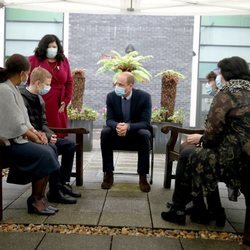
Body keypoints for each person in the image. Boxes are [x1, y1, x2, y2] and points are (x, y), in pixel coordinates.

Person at [161, 56, 250, 227]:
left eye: (219, 72)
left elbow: (213, 132)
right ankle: (206, 210)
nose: (218, 76)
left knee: (188, 154)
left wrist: (201, 139)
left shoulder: (226, 94)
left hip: (233, 159)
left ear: (227, 73)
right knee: (193, 153)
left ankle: (180, 209)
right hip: (246, 157)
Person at [0, 54, 61, 215]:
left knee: (51, 149)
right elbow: (15, 124)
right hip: (7, 143)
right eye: (27, 73)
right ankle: (34, 201)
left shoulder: (12, 88)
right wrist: (35, 137)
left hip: (17, 139)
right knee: (45, 153)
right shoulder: (4, 90)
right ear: (22, 73)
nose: (26, 77)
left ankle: (40, 198)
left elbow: (24, 119)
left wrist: (37, 133)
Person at [19, 67, 81, 202]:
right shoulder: (21, 98)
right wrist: (47, 137)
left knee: (69, 145)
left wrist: (51, 135)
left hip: (42, 136)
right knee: (51, 149)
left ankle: (62, 184)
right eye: (47, 84)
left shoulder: (40, 99)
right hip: (30, 138)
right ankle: (54, 192)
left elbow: (44, 123)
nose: (49, 87)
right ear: (37, 83)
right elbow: (26, 125)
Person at [100, 71, 152, 192]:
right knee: (105, 132)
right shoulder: (111, 96)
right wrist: (118, 126)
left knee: (145, 134)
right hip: (117, 133)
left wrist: (128, 127)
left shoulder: (144, 97)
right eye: (116, 84)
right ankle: (108, 174)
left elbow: (145, 123)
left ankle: (143, 177)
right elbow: (109, 120)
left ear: (131, 85)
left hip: (135, 133)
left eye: (121, 84)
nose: (118, 87)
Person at [28, 34, 73, 138]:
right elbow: (28, 82)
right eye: (49, 46)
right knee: (42, 129)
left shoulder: (63, 60)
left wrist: (66, 101)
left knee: (58, 135)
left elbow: (69, 82)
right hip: (40, 100)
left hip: (58, 103)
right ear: (44, 47)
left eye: (54, 46)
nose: (52, 49)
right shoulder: (34, 59)